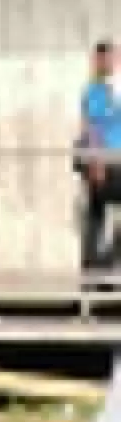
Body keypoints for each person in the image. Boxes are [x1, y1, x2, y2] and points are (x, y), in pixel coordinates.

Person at [78, 42, 121, 283]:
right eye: (109, 58)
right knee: (95, 217)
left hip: (114, 162)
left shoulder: (111, 90)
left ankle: (98, 268)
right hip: (106, 163)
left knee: (95, 217)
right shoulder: (94, 91)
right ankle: (97, 269)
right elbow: (90, 128)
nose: (113, 63)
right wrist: (96, 162)